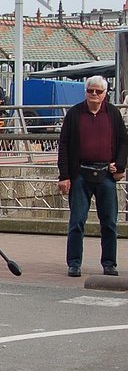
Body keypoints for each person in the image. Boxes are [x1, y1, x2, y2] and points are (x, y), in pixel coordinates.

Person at [57, 75, 128, 278]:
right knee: (77, 221)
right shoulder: (74, 114)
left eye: (98, 91)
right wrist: (64, 175)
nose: (94, 95)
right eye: (91, 91)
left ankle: (109, 263)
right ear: (86, 92)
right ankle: (74, 263)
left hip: (105, 174)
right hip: (80, 173)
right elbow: (64, 145)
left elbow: (124, 141)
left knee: (109, 222)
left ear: (105, 93)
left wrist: (120, 164)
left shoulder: (112, 113)